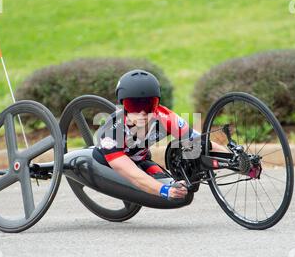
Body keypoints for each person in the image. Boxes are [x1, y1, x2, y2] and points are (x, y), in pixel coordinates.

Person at [93, 69, 222, 201]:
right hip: (110, 164)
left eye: (149, 105)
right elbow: (131, 173)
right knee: (167, 191)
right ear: (123, 106)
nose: (142, 112)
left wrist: (239, 162)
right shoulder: (112, 133)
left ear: (157, 104)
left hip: (141, 159)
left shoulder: (165, 116)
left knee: (182, 192)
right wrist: (164, 190)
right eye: (134, 106)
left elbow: (202, 143)